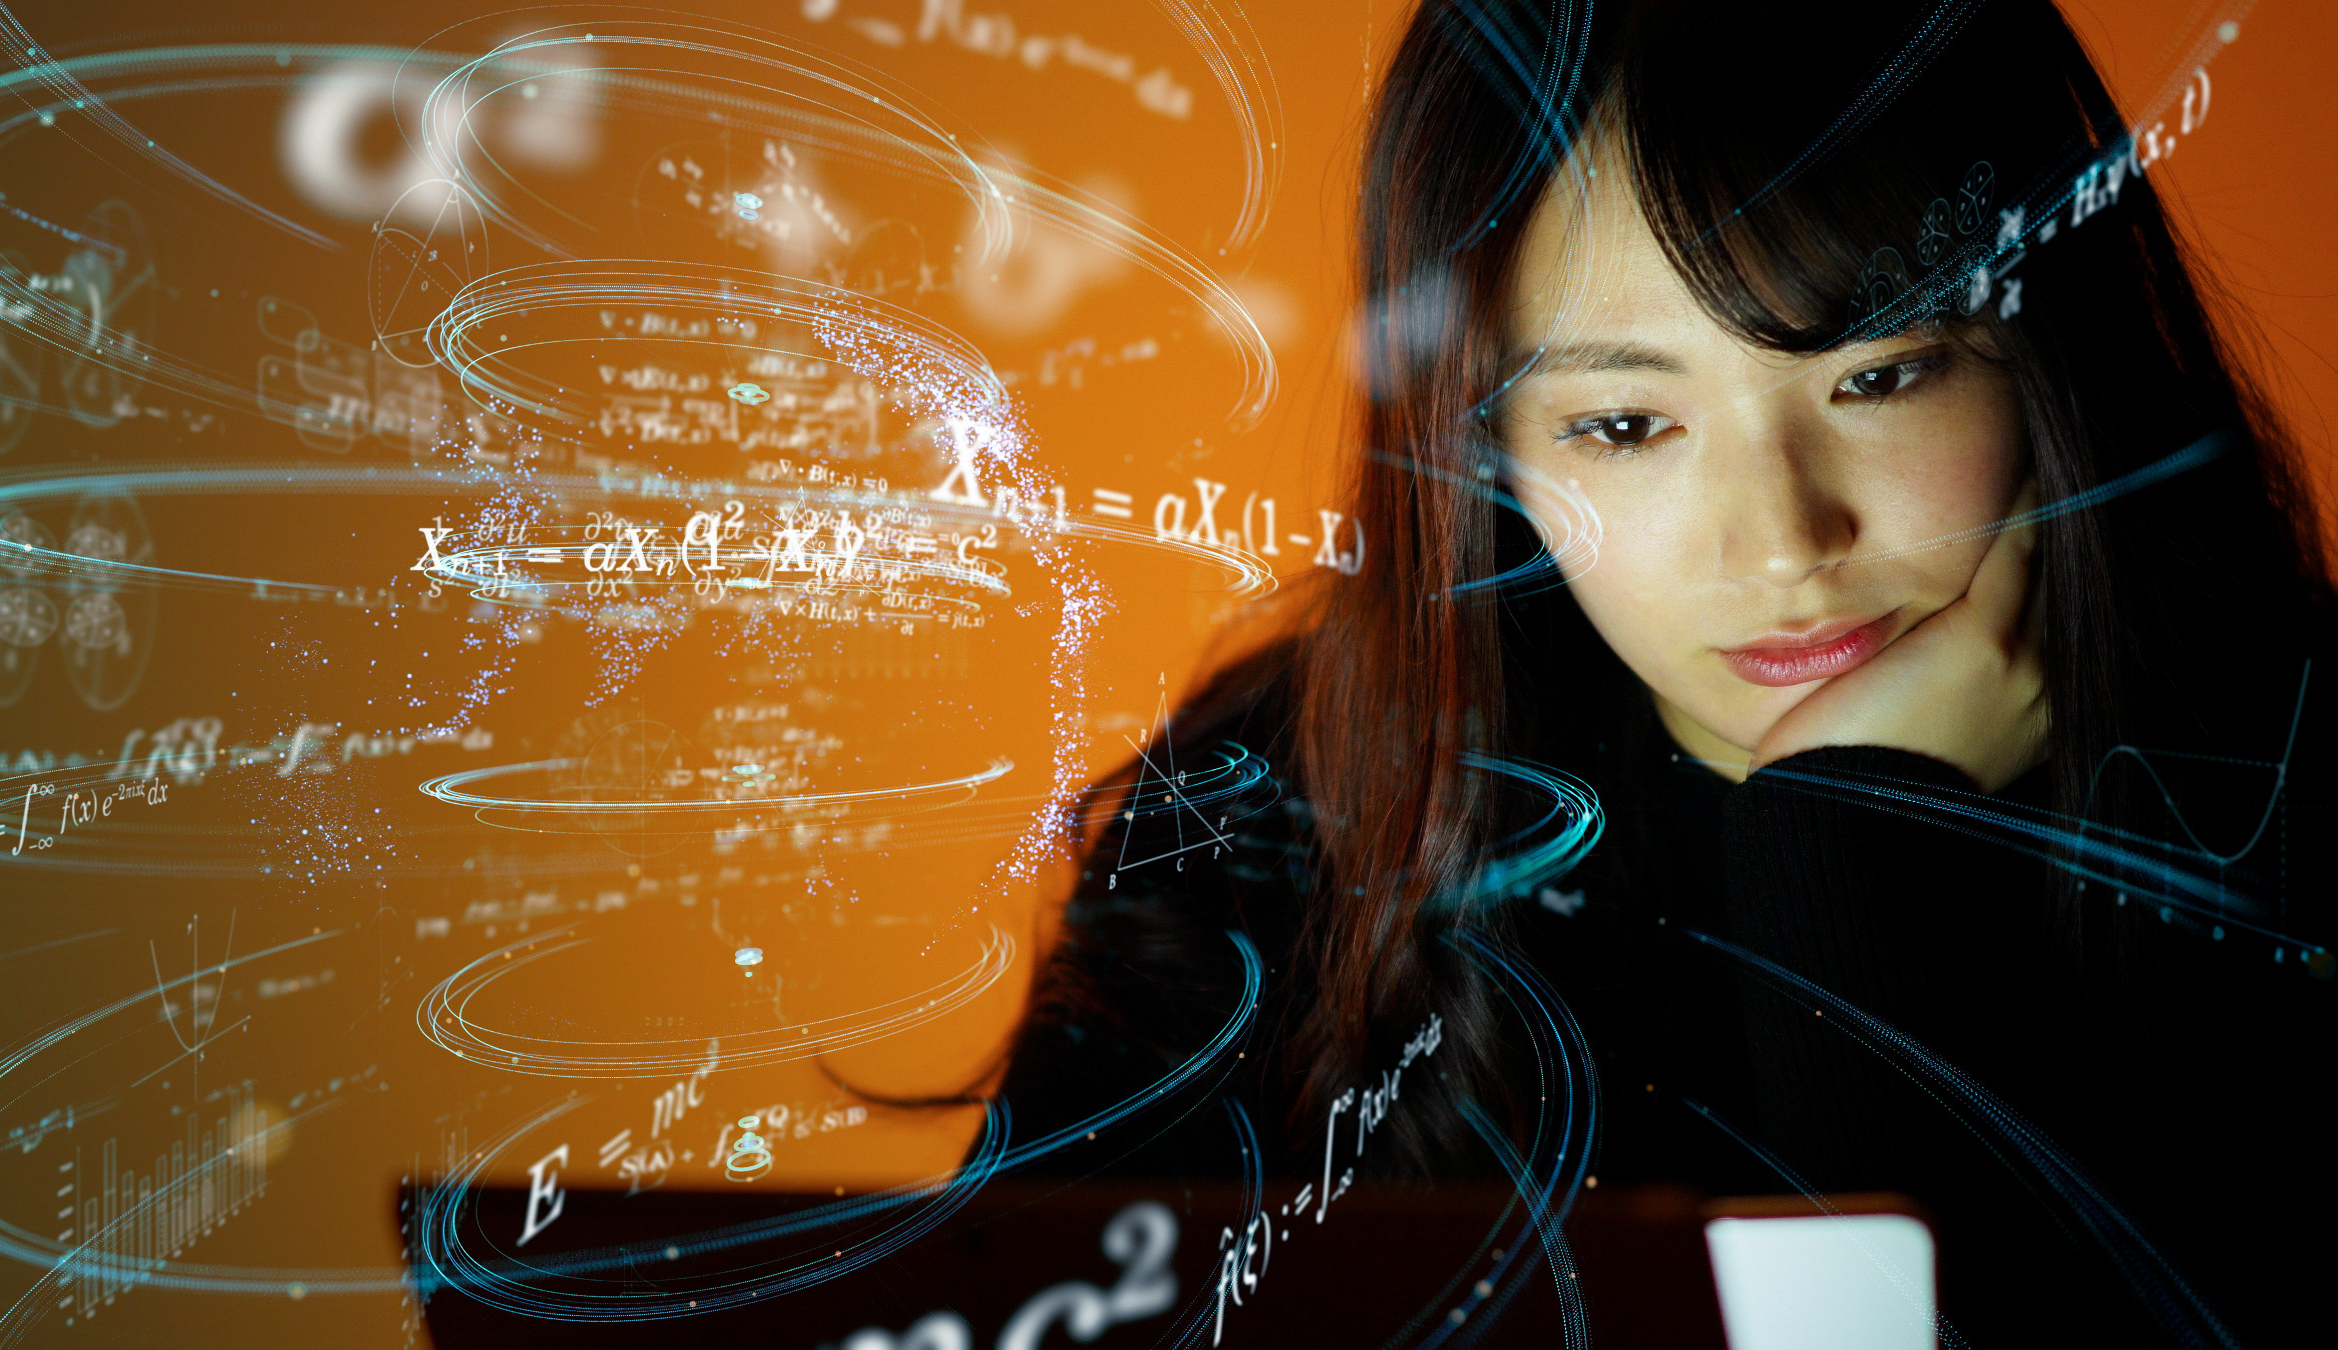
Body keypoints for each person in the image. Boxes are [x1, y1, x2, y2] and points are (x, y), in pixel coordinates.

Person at [996, 1, 2336, 1343]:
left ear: (2051, 352)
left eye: (1883, 375)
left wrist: (1853, 832)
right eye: (1628, 424)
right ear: (1486, 447)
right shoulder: (1269, 823)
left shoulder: (2294, 786)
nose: (1783, 544)